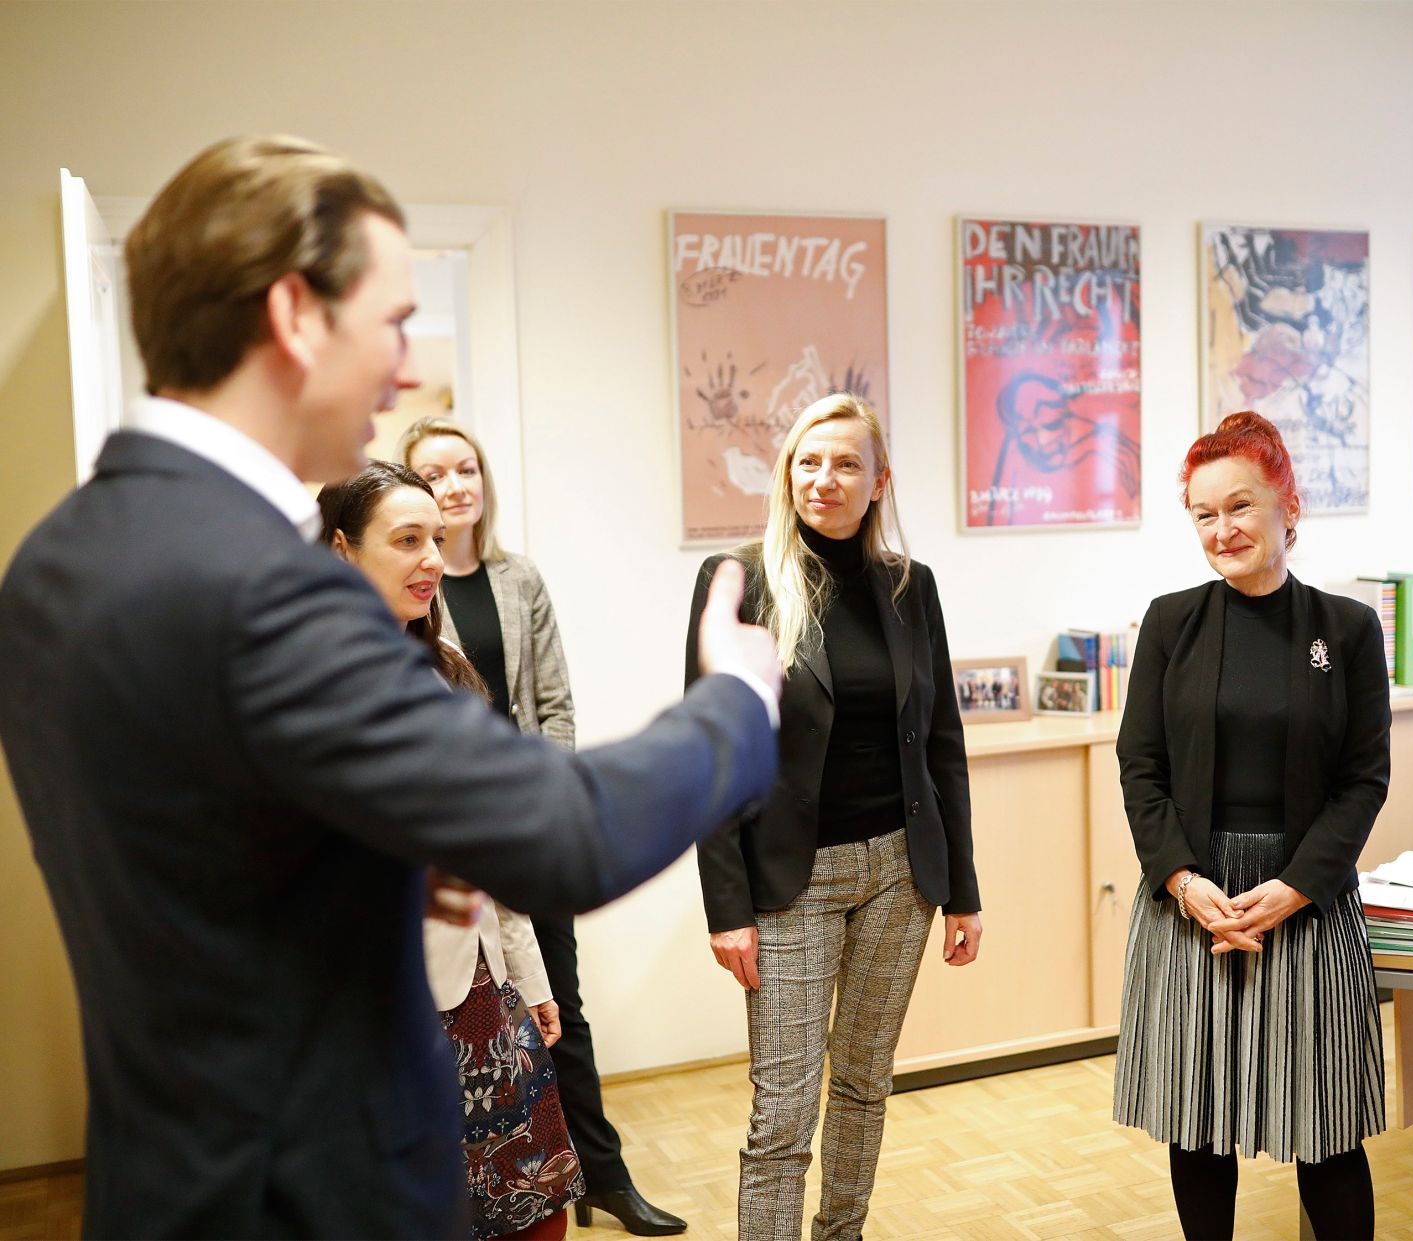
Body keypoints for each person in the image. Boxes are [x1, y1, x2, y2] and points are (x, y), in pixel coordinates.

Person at [0, 135, 780, 1238]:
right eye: (392, 321)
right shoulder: (262, 587)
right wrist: (736, 701)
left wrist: (360, 860)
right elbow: (566, 831)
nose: (404, 365)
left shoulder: (55, 558)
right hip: (315, 1199)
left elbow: (197, 845)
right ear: (293, 315)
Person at [684, 392, 983, 1241]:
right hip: (790, 881)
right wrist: (727, 907)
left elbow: (942, 742)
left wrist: (962, 887)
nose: (826, 478)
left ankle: (842, 1232)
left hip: (900, 871)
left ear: (878, 479)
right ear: (787, 474)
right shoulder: (739, 581)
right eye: (809, 461)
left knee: (863, 1081)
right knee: (782, 1107)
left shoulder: (908, 586)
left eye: (847, 462)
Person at [402, 415, 686, 1236]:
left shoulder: (518, 578)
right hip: (457, 838)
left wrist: (544, 793)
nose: (457, 485)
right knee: (486, 1020)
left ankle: (603, 1177)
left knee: (558, 1002)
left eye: (467, 469)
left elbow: (553, 702)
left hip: (530, 822)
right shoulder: (411, 593)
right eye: (436, 473)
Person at [1113, 411, 1389, 1240]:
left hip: (1305, 892)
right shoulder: (1171, 622)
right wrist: (1186, 882)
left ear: (1288, 506)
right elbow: (1141, 767)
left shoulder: (1346, 629)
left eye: (1240, 506)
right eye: (1203, 514)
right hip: (1191, 896)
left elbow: (1362, 778)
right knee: (1198, 1123)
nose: (1222, 529)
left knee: (1327, 1128)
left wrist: (1298, 885)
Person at [319, 461, 586, 1241]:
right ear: (341, 550)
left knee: (539, 1214)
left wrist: (526, 977)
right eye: (407, 540)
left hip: (483, 992)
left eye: (435, 538)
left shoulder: (448, 673)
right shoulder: (306, 684)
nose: (433, 557)